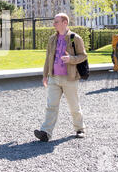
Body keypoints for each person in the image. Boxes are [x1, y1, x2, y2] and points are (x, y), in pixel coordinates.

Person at [34, 13, 87, 142]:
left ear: (65, 23)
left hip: (70, 78)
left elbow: (83, 56)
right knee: (51, 106)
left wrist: (71, 59)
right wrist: (45, 75)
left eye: (56, 21)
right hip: (54, 78)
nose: (54, 24)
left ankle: (80, 129)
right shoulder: (52, 39)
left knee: (74, 106)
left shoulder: (75, 38)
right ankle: (46, 133)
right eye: (54, 21)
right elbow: (48, 58)